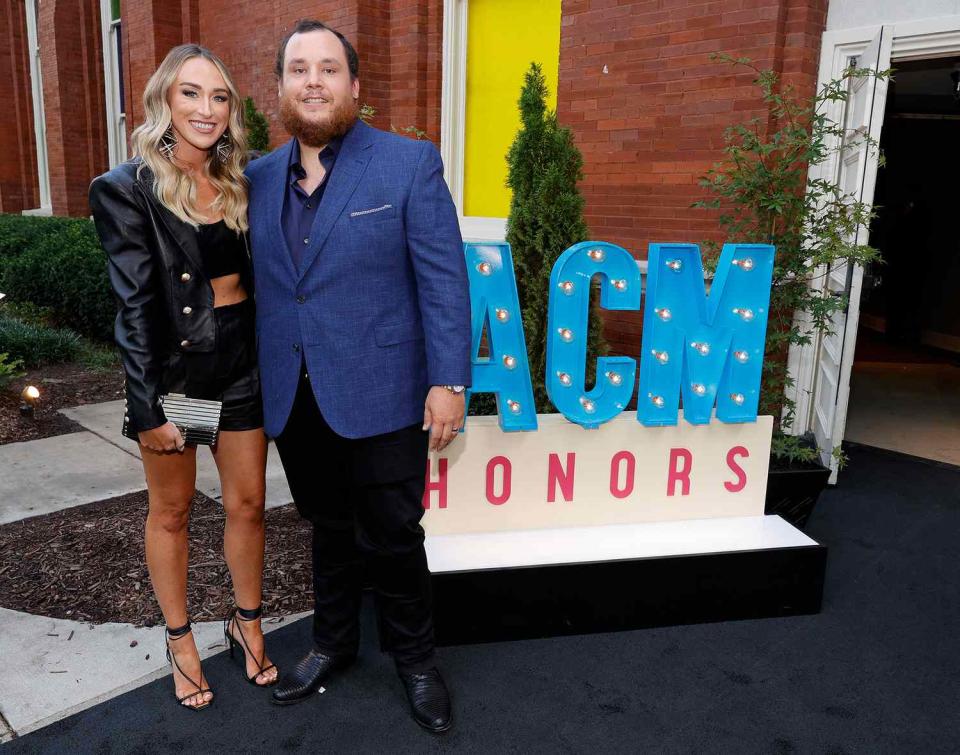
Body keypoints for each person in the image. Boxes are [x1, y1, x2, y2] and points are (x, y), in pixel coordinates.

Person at [246, 19, 471, 733]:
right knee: (326, 529)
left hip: (384, 391)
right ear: (280, 88)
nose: (313, 80)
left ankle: (417, 661)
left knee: (394, 534)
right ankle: (333, 644)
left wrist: (449, 381)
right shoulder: (255, 178)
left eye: (328, 69)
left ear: (354, 85)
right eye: (298, 69)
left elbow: (443, 282)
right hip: (295, 395)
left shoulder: (408, 164)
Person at [89, 44, 278, 711]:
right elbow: (134, 306)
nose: (207, 109)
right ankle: (180, 640)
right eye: (191, 94)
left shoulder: (244, 179)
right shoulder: (127, 187)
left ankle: (245, 620)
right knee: (172, 511)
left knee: (249, 503)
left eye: (219, 96)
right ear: (165, 101)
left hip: (241, 360)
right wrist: (147, 406)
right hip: (180, 374)